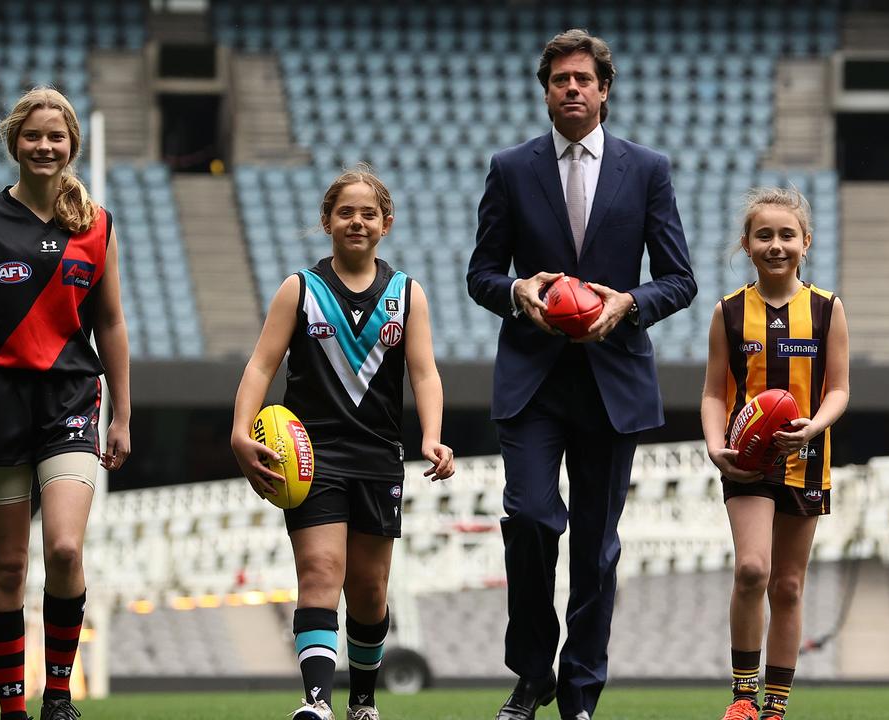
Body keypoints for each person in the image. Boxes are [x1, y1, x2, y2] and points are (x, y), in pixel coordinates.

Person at [466, 28, 696, 720]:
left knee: (596, 550)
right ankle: (531, 674)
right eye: (559, 79)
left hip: (612, 380)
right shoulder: (510, 168)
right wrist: (519, 296)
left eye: (583, 79)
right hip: (532, 380)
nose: (572, 88)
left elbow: (679, 279)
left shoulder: (647, 168)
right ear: (545, 92)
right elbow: (481, 274)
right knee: (532, 519)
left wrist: (628, 303)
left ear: (603, 90)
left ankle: (581, 692)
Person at [231, 166, 454, 720]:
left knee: (370, 590)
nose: (357, 221)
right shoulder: (300, 289)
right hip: (309, 456)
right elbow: (261, 365)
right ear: (327, 221)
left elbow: (424, 373)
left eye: (368, 213)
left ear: (386, 224)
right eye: (346, 212)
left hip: (379, 457)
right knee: (320, 571)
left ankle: (362, 702)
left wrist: (432, 436)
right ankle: (315, 703)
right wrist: (240, 431)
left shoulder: (407, 293)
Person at [0, 86, 131, 720]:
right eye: (33, 135)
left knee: (63, 549)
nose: (44, 145)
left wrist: (124, 416)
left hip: (70, 399)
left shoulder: (98, 225)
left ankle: (58, 696)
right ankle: (11, 708)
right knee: (7, 566)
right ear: (14, 144)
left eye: (56, 136)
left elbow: (110, 324)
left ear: (72, 146)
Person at [700, 188, 849, 720]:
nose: (776, 244)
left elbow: (839, 390)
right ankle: (743, 695)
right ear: (746, 244)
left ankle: (775, 706)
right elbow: (714, 391)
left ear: (805, 242)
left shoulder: (828, 309)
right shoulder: (729, 312)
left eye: (787, 235)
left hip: (807, 458)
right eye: (764, 235)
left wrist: (816, 426)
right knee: (751, 570)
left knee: (787, 586)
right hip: (747, 458)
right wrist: (716, 444)